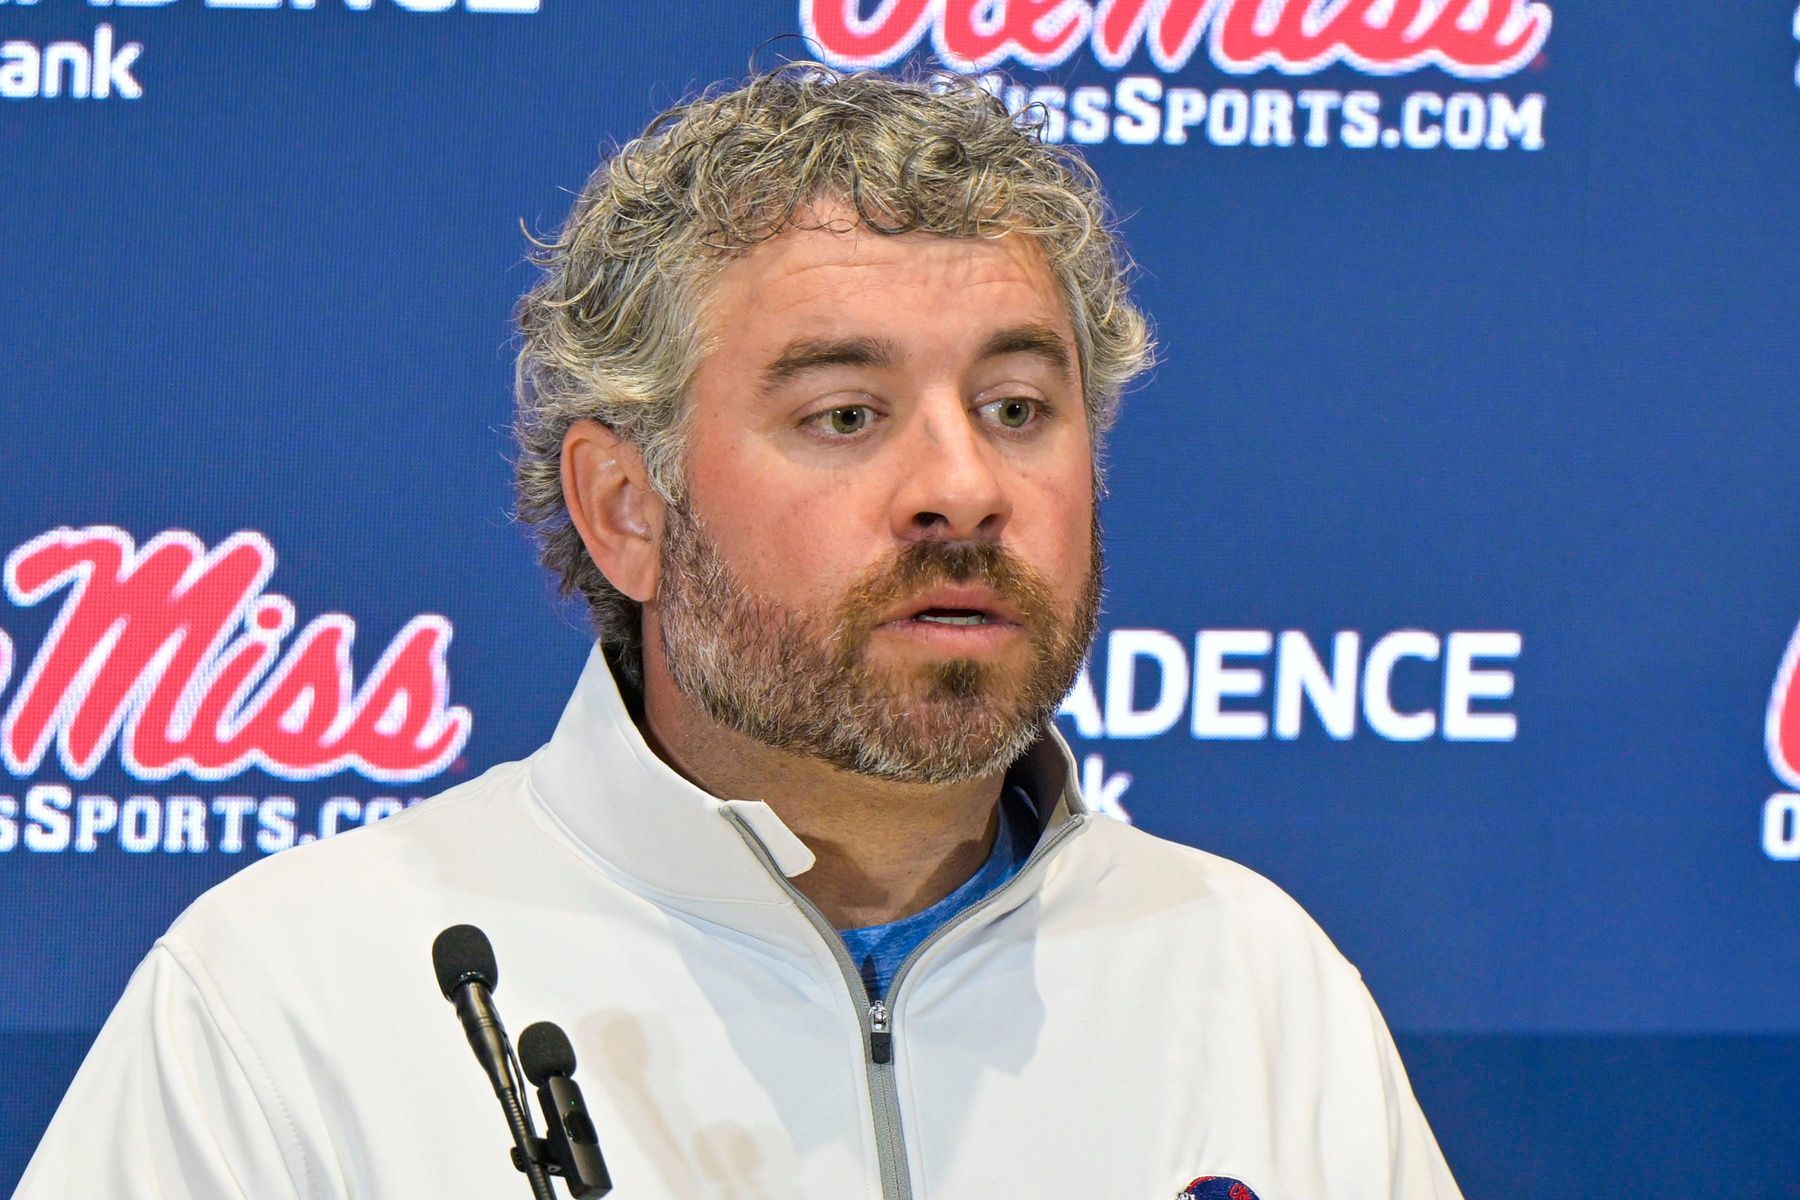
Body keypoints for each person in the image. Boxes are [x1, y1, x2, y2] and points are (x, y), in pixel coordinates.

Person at [14, 65, 1463, 1199]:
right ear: (626, 505)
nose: (962, 486)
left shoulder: (1253, 980)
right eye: (846, 414)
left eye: (1017, 407)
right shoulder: (296, 1002)